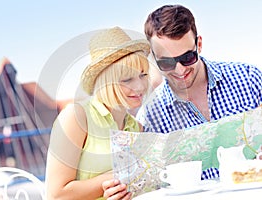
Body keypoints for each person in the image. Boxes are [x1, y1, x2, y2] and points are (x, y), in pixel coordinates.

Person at [103, 4, 262, 199]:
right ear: (154, 58)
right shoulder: (151, 116)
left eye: (187, 57)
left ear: (199, 45)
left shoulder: (249, 79)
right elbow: (150, 186)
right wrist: (123, 193)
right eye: (167, 62)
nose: (179, 70)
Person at [45, 26, 151, 200]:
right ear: (105, 82)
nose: (140, 87)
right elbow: (56, 195)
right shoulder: (76, 117)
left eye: (143, 75)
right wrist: (118, 177)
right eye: (127, 79)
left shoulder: (136, 127)